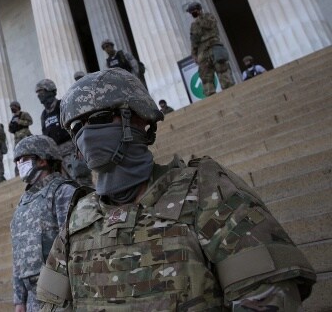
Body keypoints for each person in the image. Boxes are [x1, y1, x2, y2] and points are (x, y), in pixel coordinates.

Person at [37, 68, 316, 310]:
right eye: (77, 127)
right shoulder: (79, 217)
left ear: (138, 118)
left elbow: (268, 295)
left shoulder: (207, 191)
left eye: (97, 119)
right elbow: (51, 305)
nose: (86, 134)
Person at [10, 135, 79, 312]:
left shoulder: (63, 191)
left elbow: (75, 245)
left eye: (24, 159)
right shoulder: (23, 201)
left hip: (62, 293)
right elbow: (18, 254)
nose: (19, 164)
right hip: (33, 297)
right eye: (17, 161)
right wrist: (19, 300)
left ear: (42, 160)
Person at [36, 78, 93, 188]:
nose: (40, 96)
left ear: (50, 91)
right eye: (38, 93)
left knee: (82, 181)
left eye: (41, 92)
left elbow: (76, 126)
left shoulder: (62, 105)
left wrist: (80, 148)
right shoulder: (44, 115)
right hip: (58, 155)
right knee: (69, 186)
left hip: (72, 149)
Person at [187, 1, 235, 96]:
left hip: (214, 47)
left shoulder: (209, 17)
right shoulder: (193, 26)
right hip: (202, 53)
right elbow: (194, 42)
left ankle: (231, 93)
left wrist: (200, 18)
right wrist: (194, 55)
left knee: (223, 71)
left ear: (199, 10)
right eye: (191, 12)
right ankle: (211, 96)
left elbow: (210, 25)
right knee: (206, 77)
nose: (193, 13)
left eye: (194, 11)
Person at [9, 101, 34, 176]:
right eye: (11, 107)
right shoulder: (13, 118)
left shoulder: (23, 114)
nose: (12, 108)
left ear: (17, 106)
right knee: (17, 154)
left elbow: (30, 122)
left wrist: (19, 121)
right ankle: (18, 171)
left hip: (25, 134)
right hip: (17, 137)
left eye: (13, 106)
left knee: (29, 151)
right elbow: (10, 129)